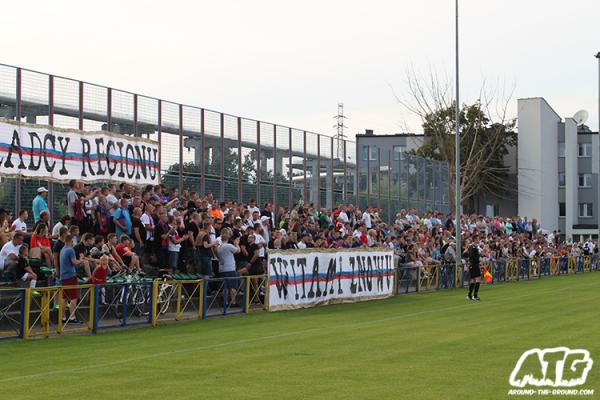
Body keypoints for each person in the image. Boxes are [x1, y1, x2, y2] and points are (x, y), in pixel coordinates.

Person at [59, 235, 83, 324]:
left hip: (63, 276)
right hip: (70, 275)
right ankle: (72, 317)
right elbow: (74, 262)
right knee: (74, 297)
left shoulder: (62, 249)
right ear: (71, 241)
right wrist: (80, 260)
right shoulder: (70, 250)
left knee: (64, 298)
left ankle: (63, 317)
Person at [217, 229, 240, 305]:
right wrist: (236, 243)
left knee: (225, 287)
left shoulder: (219, 247)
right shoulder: (229, 246)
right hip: (230, 268)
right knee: (233, 287)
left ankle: (225, 302)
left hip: (222, 269)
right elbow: (238, 250)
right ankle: (233, 302)